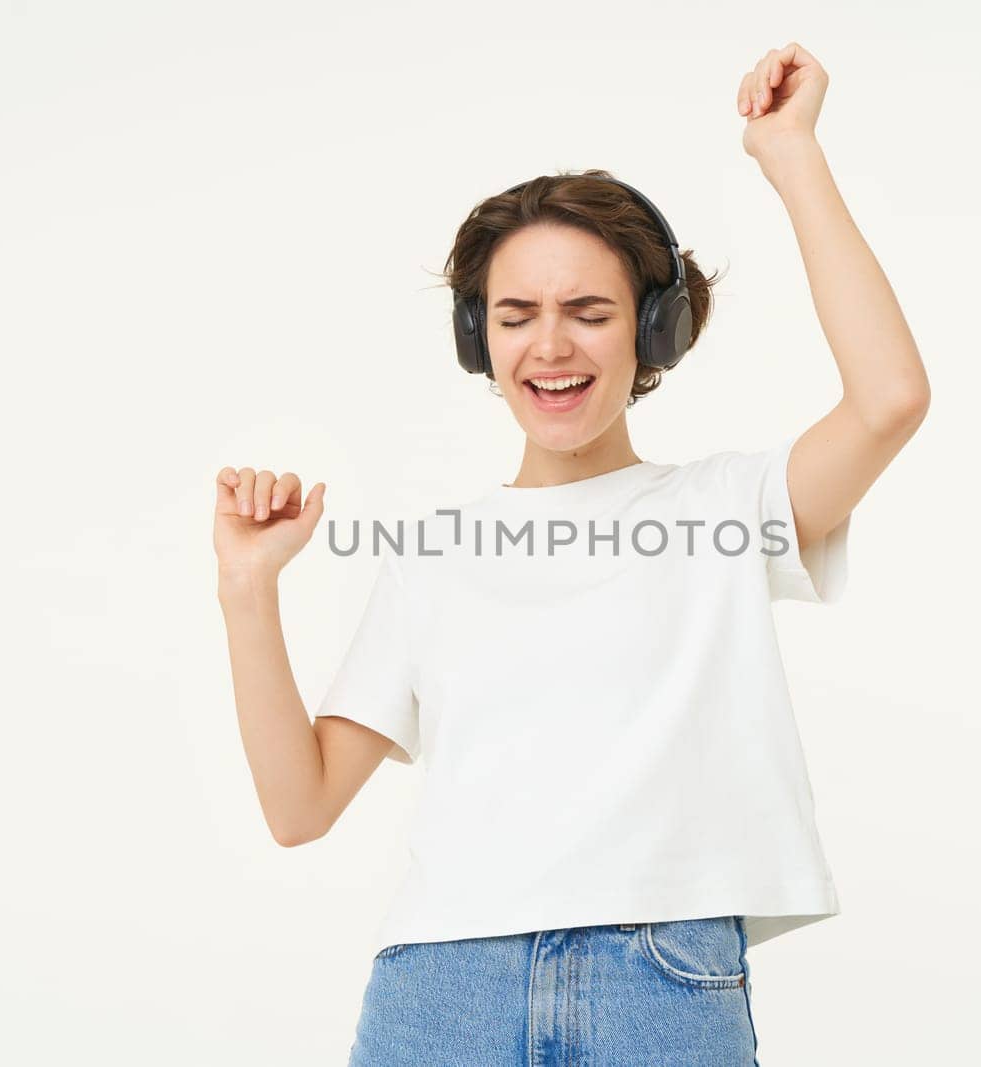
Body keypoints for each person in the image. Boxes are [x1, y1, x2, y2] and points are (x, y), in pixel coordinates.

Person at [213, 41, 930, 1067]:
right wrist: (248, 589)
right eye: (516, 316)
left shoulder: (722, 508)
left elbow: (890, 398)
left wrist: (788, 153)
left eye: (589, 313)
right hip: (442, 989)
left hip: (663, 983)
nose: (549, 345)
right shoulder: (431, 552)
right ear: (479, 338)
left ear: (656, 329)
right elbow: (299, 805)